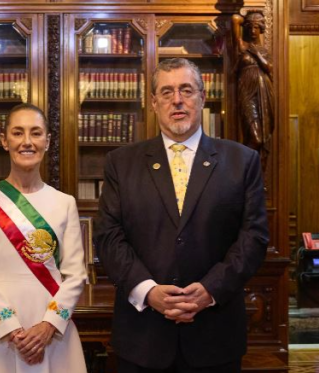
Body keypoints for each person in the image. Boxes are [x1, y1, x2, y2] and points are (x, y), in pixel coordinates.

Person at [95, 58, 269, 372]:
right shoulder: (121, 163)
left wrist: (211, 289)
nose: (177, 100)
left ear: (202, 97)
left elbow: (254, 237)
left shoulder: (242, 161)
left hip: (215, 336)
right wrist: (147, 291)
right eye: (167, 92)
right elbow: (109, 237)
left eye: (186, 90)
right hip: (142, 338)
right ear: (153, 103)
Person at [0, 104, 88, 373]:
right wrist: (11, 329)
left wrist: (48, 326)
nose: (27, 142)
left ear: (47, 141)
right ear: (4, 141)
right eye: (18, 133)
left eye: (36, 133)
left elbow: (75, 275)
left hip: (52, 330)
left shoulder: (65, 203)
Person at [232, 11, 274, 174]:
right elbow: (235, 19)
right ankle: (243, 170)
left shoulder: (263, 51)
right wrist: (245, 18)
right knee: (255, 137)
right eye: (250, 26)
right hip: (246, 92)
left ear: (262, 28)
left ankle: (255, 175)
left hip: (264, 91)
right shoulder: (242, 46)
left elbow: (269, 68)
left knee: (263, 138)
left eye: (257, 27)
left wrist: (256, 53)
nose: (253, 30)